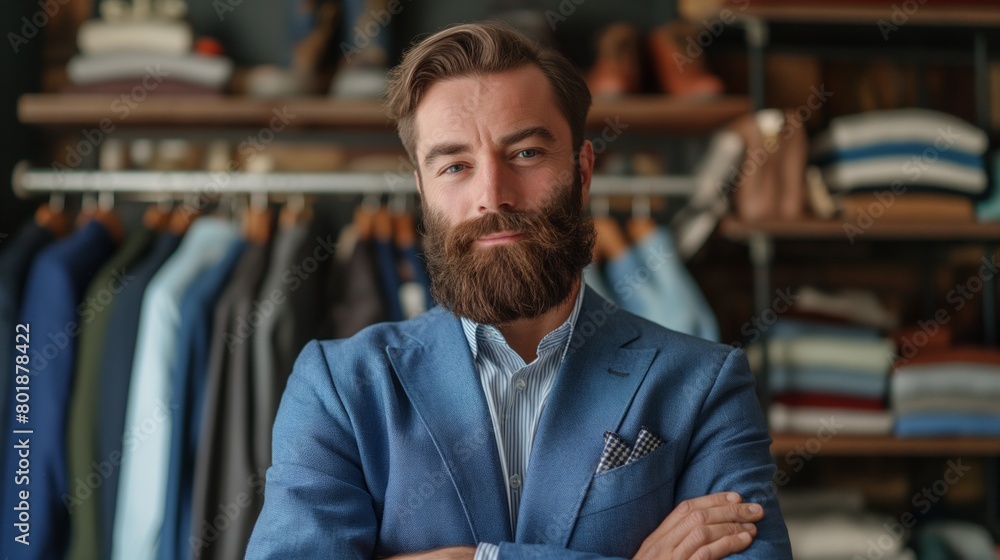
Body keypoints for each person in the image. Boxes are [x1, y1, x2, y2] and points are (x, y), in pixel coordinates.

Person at [245, 21, 792, 560]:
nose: (492, 195)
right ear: (422, 190)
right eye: (456, 165)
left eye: (526, 153)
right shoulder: (338, 389)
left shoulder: (704, 384)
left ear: (581, 170)